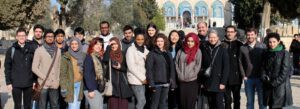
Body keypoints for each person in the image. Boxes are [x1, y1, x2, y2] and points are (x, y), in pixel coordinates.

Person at [4, 28, 36, 109]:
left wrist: (34, 81)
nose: (21, 37)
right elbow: (7, 67)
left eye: (23, 35)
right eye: (19, 36)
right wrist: (8, 82)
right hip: (15, 83)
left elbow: (34, 66)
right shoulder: (11, 50)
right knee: (17, 106)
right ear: (16, 37)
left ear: (26, 37)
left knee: (27, 105)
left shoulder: (31, 49)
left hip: (28, 83)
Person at [261, 33, 293, 109]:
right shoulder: (266, 53)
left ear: (279, 41)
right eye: (270, 42)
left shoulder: (285, 53)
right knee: (270, 106)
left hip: (280, 87)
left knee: (277, 106)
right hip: (268, 85)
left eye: (274, 42)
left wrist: (274, 83)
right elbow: (263, 67)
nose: (272, 44)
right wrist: (264, 77)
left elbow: (285, 72)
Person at [32, 29, 61, 109]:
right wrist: (44, 77)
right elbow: (34, 67)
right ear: (44, 38)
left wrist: (58, 80)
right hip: (43, 83)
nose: (50, 38)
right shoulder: (39, 50)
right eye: (48, 36)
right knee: (42, 106)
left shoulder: (58, 50)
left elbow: (58, 66)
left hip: (54, 83)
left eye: (52, 36)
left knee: (54, 105)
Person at [146, 33, 176, 109]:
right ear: (155, 42)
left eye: (161, 41)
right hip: (156, 84)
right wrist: (151, 83)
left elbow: (172, 68)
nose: (159, 43)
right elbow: (149, 69)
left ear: (164, 42)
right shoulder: (152, 54)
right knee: (154, 104)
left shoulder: (168, 53)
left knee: (163, 104)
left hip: (166, 83)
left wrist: (173, 83)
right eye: (158, 41)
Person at [201, 30, 229, 109]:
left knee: (219, 104)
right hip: (208, 81)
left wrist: (223, 82)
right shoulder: (204, 48)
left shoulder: (222, 49)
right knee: (211, 104)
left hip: (219, 82)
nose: (212, 39)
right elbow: (203, 66)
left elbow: (226, 67)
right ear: (208, 38)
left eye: (214, 37)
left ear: (218, 38)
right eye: (210, 37)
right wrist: (203, 81)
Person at [239, 28, 266, 109]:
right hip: (248, 79)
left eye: (252, 34)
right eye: (248, 35)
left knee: (262, 102)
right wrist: (243, 75)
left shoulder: (263, 47)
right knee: (250, 103)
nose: (250, 36)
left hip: (261, 78)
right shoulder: (242, 48)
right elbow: (240, 62)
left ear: (256, 35)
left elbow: (266, 62)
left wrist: (264, 75)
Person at [103, 37, 133, 109]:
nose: (114, 46)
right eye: (112, 44)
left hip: (123, 85)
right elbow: (105, 60)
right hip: (112, 85)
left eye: (115, 44)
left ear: (119, 44)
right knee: (113, 105)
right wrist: (108, 46)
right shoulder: (108, 54)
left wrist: (120, 67)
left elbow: (128, 69)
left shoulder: (124, 54)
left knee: (123, 106)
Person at [175, 32, 202, 109]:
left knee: (190, 103)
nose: (190, 43)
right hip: (181, 81)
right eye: (188, 41)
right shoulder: (181, 51)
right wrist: (179, 74)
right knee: (182, 103)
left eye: (192, 41)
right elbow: (176, 63)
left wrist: (191, 75)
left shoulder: (198, 51)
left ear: (195, 42)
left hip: (192, 81)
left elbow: (198, 65)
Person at [126, 30, 149, 109]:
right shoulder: (131, 50)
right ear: (134, 39)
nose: (140, 41)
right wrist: (143, 78)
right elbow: (131, 66)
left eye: (142, 39)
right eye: (138, 39)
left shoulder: (145, 49)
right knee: (142, 101)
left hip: (144, 79)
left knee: (141, 101)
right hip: (136, 79)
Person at [222, 25, 243, 109]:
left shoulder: (240, 44)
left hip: (236, 77)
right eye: (228, 32)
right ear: (226, 33)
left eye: (231, 32)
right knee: (227, 99)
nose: (230, 34)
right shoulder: (221, 44)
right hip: (225, 77)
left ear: (235, 33)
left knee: (237, 98)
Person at [60, 37, 85, 109]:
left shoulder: (83, 55)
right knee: (72, 106)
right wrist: (63, 87)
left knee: (77, 105)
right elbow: (63, 73)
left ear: (79, 44)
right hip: (70, 85)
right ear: (70, 45)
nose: (74, 46)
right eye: (72, 44)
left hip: (80, 84)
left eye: (76, 44)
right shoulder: (66, 56)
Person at [83, 37, 105, 109]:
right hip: (91, 88)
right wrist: (91, 90)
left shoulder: (98, 57)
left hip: (97, 87)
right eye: (97, 44)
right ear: (92, 45)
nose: (99, 46)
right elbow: (87, 74)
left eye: (101, 45)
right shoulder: (89, 57)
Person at [168, 30, 182, 109]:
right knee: (171, 96)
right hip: (169, 74)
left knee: (179, 96)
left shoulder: (181, 47)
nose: (174, 37)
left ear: (179, 37)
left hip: (179, 74)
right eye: (172, 35)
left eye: (176, 35)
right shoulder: (166, 47)